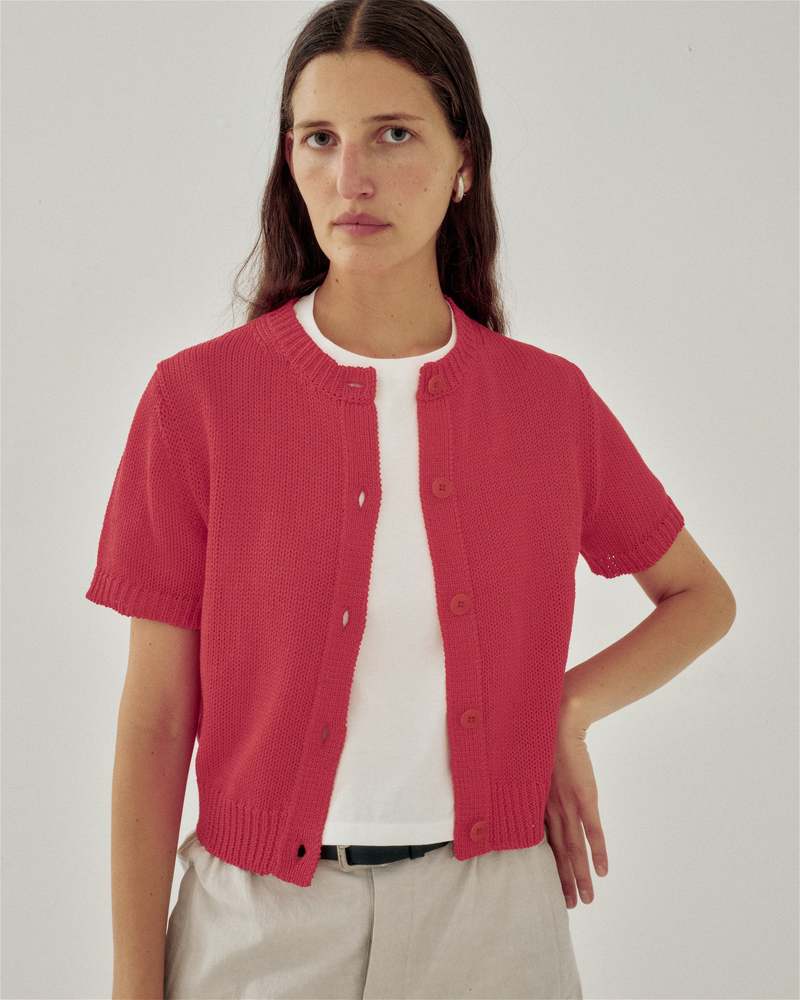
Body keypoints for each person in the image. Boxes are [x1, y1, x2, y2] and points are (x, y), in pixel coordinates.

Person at [86, 1, 737, 998]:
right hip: (255, 926)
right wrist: (135, 984)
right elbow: (156, 720)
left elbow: (700, 597)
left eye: (393, 134)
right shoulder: (197, 401)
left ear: (464, 161)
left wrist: (564, 708)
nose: (353, 177)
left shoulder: (546, 402)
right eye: (320, 138)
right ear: (289, 161)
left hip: (493, 920)